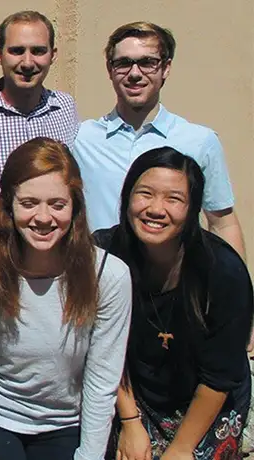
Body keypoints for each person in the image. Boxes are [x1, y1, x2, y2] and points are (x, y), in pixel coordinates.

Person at [0, 137, 132, 459]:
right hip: (2, 418)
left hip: (68, 422)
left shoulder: (109, 277)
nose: (42, 217)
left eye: (57, 204)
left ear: (75, 206)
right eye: (29, 203)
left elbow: (102, 381)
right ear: (9, 205)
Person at [95, 147, 252, 460]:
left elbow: (219, 377)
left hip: (208, 400)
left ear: (193, 208)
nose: (156, 209)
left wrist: (180, 449)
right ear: (127, 198)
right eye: (145, 194)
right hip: (132, 395)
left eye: (173, 199)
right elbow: (104, 348)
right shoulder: (103, 254)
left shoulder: (223, 271)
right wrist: (130, 421)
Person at [73, 22, 245, 260]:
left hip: (172, 286)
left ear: (166, 68)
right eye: (123, 63)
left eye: (147, 63)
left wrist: (235, 289)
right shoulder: (81, 138)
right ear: (109, 69)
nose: (134, 73)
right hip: (100, 283)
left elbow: (222, 223)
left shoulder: (199, 141)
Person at [0, 10, 79, 243]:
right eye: (17, 51)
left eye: (38, 51)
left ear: (53, 55)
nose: (28, 62)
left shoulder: (65, 108)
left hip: (51, 256)